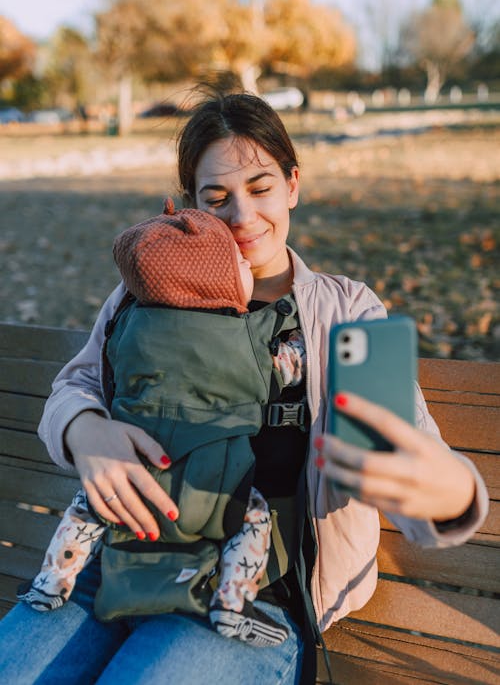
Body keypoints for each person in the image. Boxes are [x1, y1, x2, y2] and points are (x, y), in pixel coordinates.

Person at [0, 92, 488, 685]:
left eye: (261, 188)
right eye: (217, 198)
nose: (242, 216)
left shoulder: (345, 311)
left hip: (252, 598)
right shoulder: (146, 291)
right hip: (110, 567)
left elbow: (407, 446)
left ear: (293, 185)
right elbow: (73, 387)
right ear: (189, 204)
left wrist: (449, 490)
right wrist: (86, 432)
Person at [19, 200, 306, 648]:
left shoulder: (132, 322)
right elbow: (284, 367)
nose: (244, 254)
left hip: (130, 490)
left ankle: (52, 583)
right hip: (213, 488)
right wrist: (301, 353)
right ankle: (232, 602)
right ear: (215, 282)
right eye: (236, 263)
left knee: (84, 508)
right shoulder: (249, 335)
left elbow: (102, 371)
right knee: (252, 519)